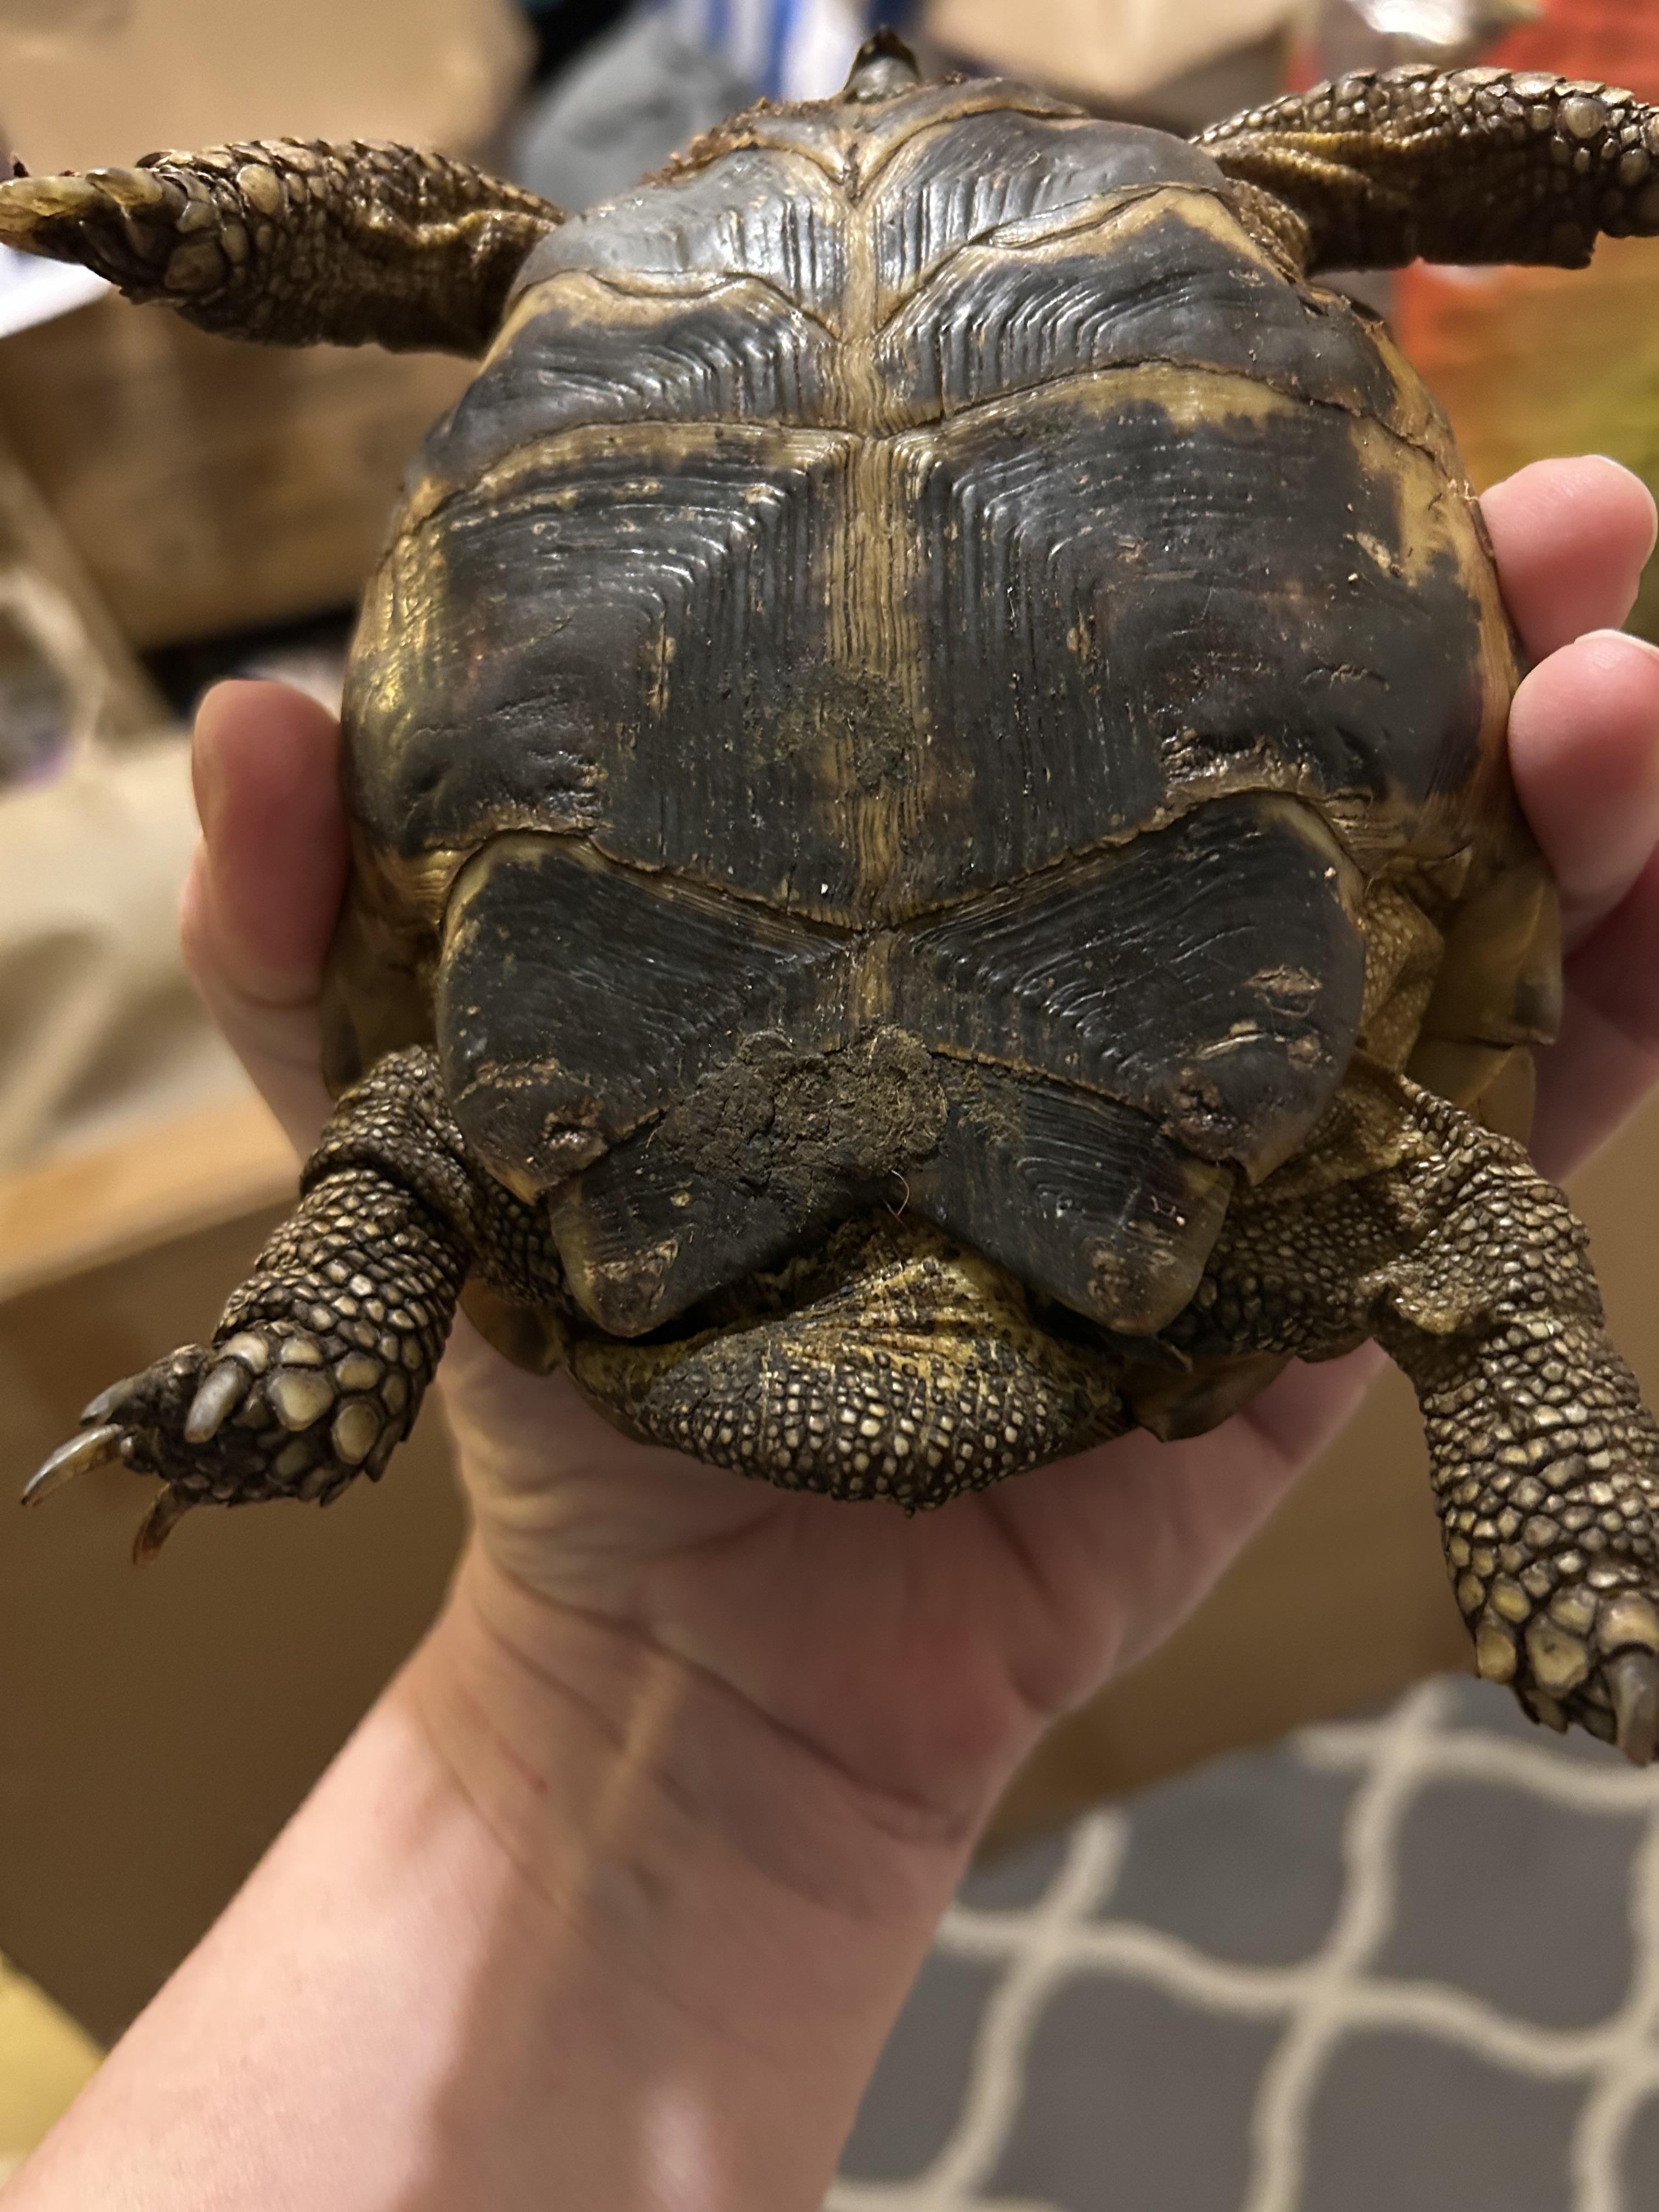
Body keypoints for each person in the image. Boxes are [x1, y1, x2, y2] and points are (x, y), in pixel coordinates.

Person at [8, 456, 1659, 2210]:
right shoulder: (1269, 1201)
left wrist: (312, 1357)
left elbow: (429, 1135)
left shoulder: (545, 1168)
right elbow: (1474, 1228)